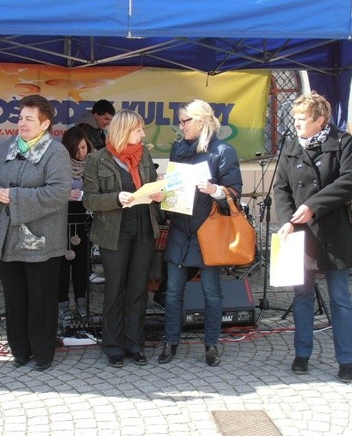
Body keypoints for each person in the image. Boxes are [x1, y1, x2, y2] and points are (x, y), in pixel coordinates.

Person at [274, 91, 352, 383]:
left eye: (302, 119)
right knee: (302, 296)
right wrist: (287, 220)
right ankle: (302, 354)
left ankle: (346, 359)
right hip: (300, 234)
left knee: (340, 298)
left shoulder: (343, 142)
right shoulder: (291, 145)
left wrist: (313, 206)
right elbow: (281, 188)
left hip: (334, 232)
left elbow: (349, 181)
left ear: (320, 120)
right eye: (295, 118)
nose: (296, 124)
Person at [0, 94, 72, 372]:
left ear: (45, 124)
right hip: (8, 239)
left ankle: (43, 353)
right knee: (15, 299)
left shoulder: (56, 152)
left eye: (29, 119)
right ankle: (20, 350)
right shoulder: (7, 147)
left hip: (41, 241)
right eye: (21, 118)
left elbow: (58, 193)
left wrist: (15, 197)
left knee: (41, 301)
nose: (22, 123)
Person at [158, 99, 242, 367]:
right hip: (180, 227)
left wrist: (214, 190)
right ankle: (170, 342)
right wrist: (164, 189)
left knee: (211, 291)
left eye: (185, 121)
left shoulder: (223, 151)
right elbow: (174, 187)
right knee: (172, 291)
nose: (181, 126)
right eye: (180, 121)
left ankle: (211, 344)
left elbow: (234, 195)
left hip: (208, 230)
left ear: (201, 121)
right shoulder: (178, 148)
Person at [83, 109, 164, 368]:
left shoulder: (144, 155)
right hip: (113, 234)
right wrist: (116, 198)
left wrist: (158, 195)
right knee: (115, 289)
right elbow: (89, 199)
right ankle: (113, 346)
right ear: (124, 131)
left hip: (144, 230)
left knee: (138, 289)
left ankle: (135, 344)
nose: (142, 134)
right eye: (138, 129)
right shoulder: (97, 159)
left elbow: (151, 186)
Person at [58, 128, 93, 321]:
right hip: (62, 220)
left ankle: (81, 302)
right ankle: (62, 305)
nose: (81, 153)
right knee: (62, 266)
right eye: (76, 149)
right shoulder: (58, 165)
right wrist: (65, 195)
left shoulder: (93, 163)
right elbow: (49, 191)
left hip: (84, 219)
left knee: (82, 265)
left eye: (83, 147)